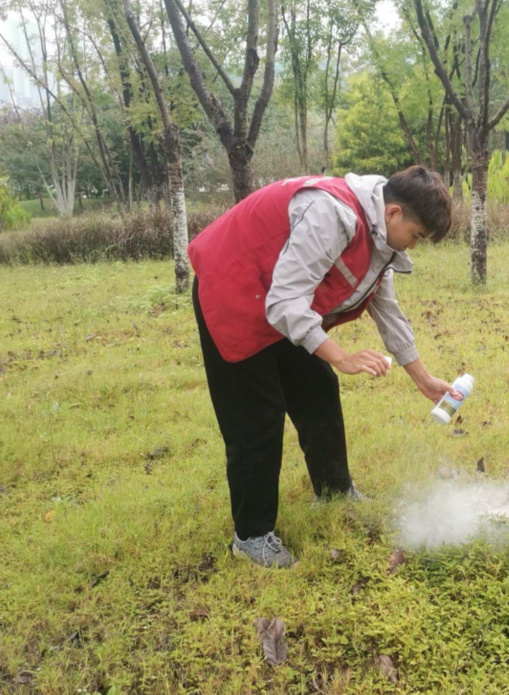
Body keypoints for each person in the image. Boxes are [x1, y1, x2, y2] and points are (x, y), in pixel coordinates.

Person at [188, 166, 461, 568]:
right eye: (417, 236)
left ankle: (334, 490)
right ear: (394, 213)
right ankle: (251, 536)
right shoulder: (331, 215)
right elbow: (284, 303)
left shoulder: (381, 236)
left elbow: (386, 310)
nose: (414, 246)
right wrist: (339, 355)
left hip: (281, 300)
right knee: (257, 418)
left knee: (317, 389)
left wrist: (422, 378)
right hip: (234, 289)